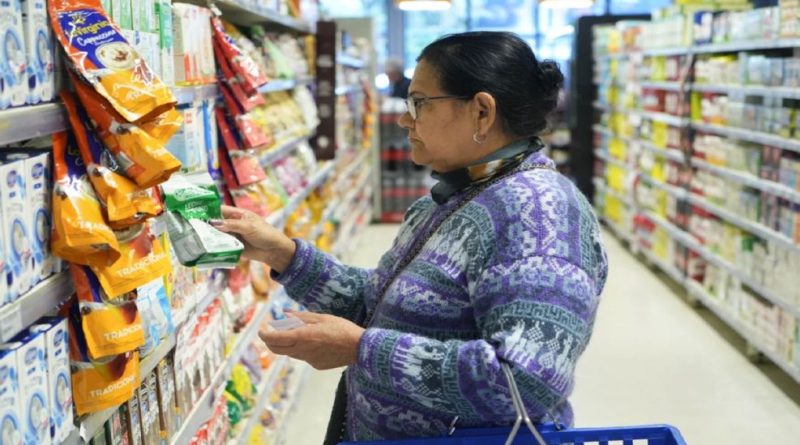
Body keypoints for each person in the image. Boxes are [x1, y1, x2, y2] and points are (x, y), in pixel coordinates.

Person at [212, 31, 608, 443]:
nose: (405, 119)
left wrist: (361, 349)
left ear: (482, 112)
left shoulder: (540, 215)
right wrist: (284, 255)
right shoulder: (461, 194)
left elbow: (526, 381)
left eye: (419, 103)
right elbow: (385, 307)